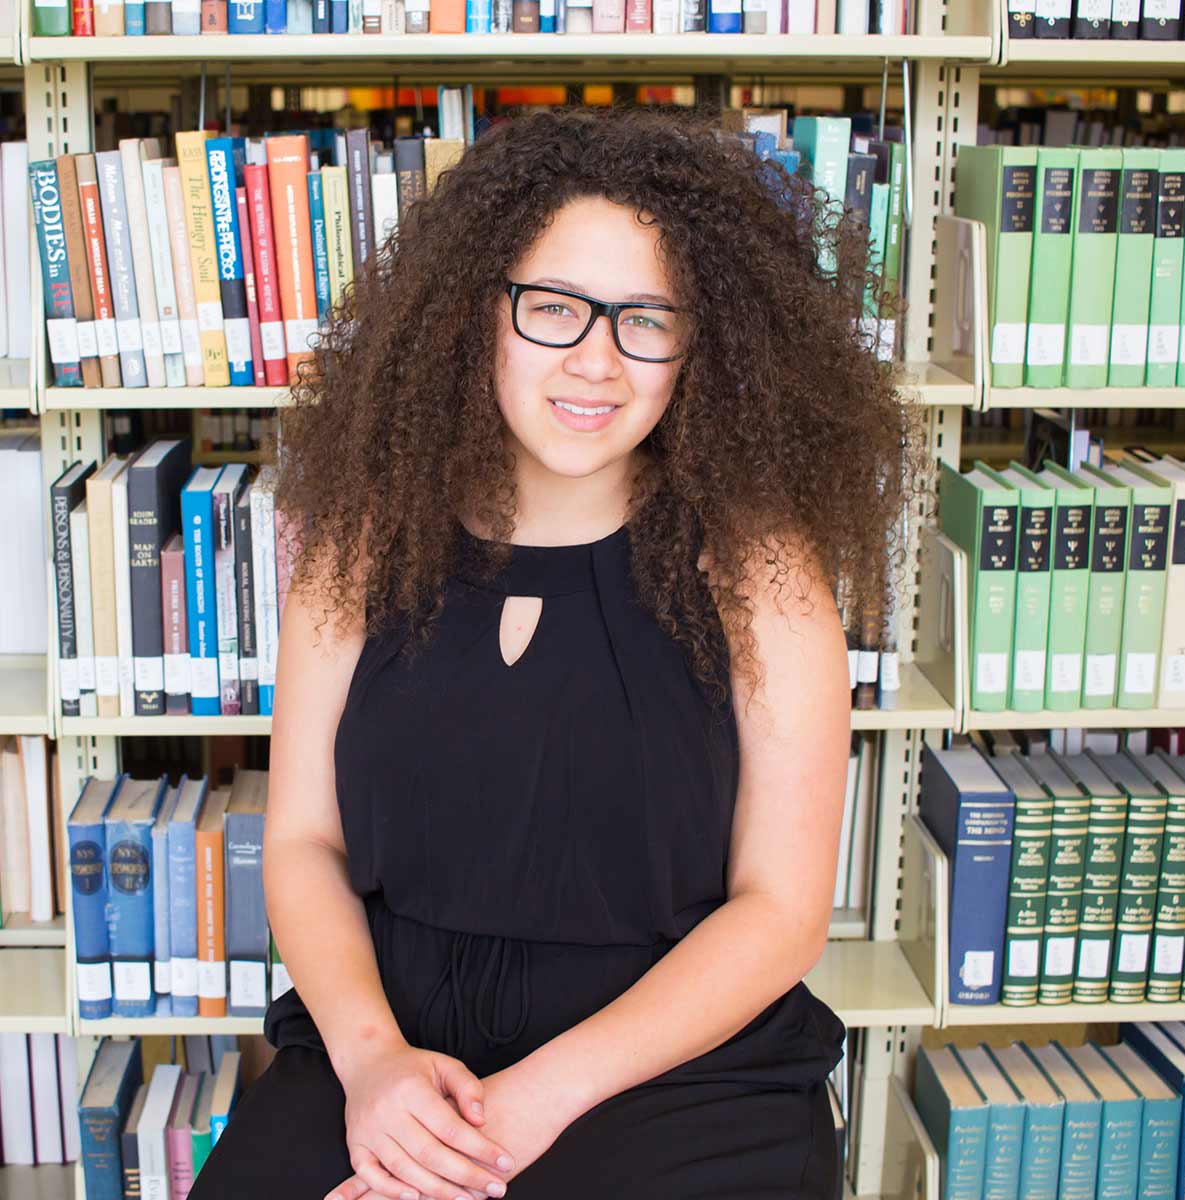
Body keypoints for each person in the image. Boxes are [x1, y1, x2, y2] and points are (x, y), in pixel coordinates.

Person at [189, 103, 925, 1200]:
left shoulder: (762, 572)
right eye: (555, 309)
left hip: (672, 1063)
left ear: (702, 346)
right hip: (389, 1045)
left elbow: (781, 910)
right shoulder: (361, 539)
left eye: (647, 320)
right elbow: (300, 845)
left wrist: (523, 1109)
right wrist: (374, 1065)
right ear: (474, 315)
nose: (598, 361)